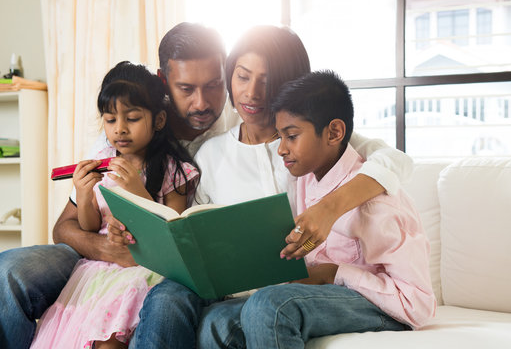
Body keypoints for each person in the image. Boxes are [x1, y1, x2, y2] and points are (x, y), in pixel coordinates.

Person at [0, 23, 411, 349]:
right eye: (187, 89)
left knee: (169, 298)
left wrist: (329, 207)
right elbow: (66, 226)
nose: (204, 102)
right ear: (164, 84)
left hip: (169, 273)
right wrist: (103, 246)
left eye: (215, 84)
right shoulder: (128, 131)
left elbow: (391, 160)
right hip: (102, 255)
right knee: (10, 269)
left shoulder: (272, 132)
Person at [197, 70, 436, 348]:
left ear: (334, 132)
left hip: (378, 306)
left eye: (291, 136)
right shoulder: (304, 178)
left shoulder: (376, 205)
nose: (281, 150)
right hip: (322, 297)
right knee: (214, 320)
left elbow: (418, 303)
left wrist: (332, 273)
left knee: (270, 305)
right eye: (280, 137)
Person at [30, 61, 199, 349]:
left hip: (143, 270)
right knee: (84, 337)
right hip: (98, 269)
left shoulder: (173, 169)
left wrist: (136, 190)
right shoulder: (102, 162)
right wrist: (84, 195)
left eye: (132, 118)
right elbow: (91, 227)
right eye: (110, 120)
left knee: (109, 341)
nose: (119, 129)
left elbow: (174, 231)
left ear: (158, 121)